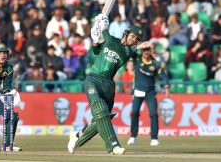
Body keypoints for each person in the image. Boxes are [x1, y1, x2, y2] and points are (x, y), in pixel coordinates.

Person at [67, 13, 147, 155]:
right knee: (100, 110)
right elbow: (97, 51)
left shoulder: (127, 51)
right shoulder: (112, 41)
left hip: (108, 85)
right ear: (127, 33)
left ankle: (77, 136)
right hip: (93, 79)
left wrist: (103, 27)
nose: (134, 39)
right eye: (133, 36)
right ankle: (113, 145)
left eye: (136, 39)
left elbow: (109, 41)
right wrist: (95, 40)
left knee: (102, 117)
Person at [127, 42, 170, 146]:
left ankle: (154, 138)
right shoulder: (137, 60)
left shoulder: (155, 63)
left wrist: (167, 87)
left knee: (153, 114)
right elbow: (129, 51)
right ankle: (133, 136)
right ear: (142, 51)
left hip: (150, 92)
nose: (146, 52)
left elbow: (163, 76)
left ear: (150, 51)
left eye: (147, 50)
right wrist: (139, 46)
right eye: (144, 50)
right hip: (138, 91)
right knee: (134, 113)